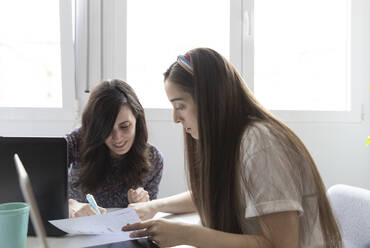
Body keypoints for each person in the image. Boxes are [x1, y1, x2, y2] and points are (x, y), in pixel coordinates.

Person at [122, 48, 342, 247]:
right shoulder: (236, 140)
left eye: (180, 106)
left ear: (209, 100)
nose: (175, 118)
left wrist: (189, 235)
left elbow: (281, 245)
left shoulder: (260, 144)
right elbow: (209, 194)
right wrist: (155, 207)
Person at [67, 79, 163, 218]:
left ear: (137, 119)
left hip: (123, 234)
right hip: (76, 233)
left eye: (125, 126)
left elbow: (147, 219)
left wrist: (144, 205)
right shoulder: (76, 141)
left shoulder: (153, 159)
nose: (117, 138)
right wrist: (70, 205)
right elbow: (42, 189)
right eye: (106, 129)